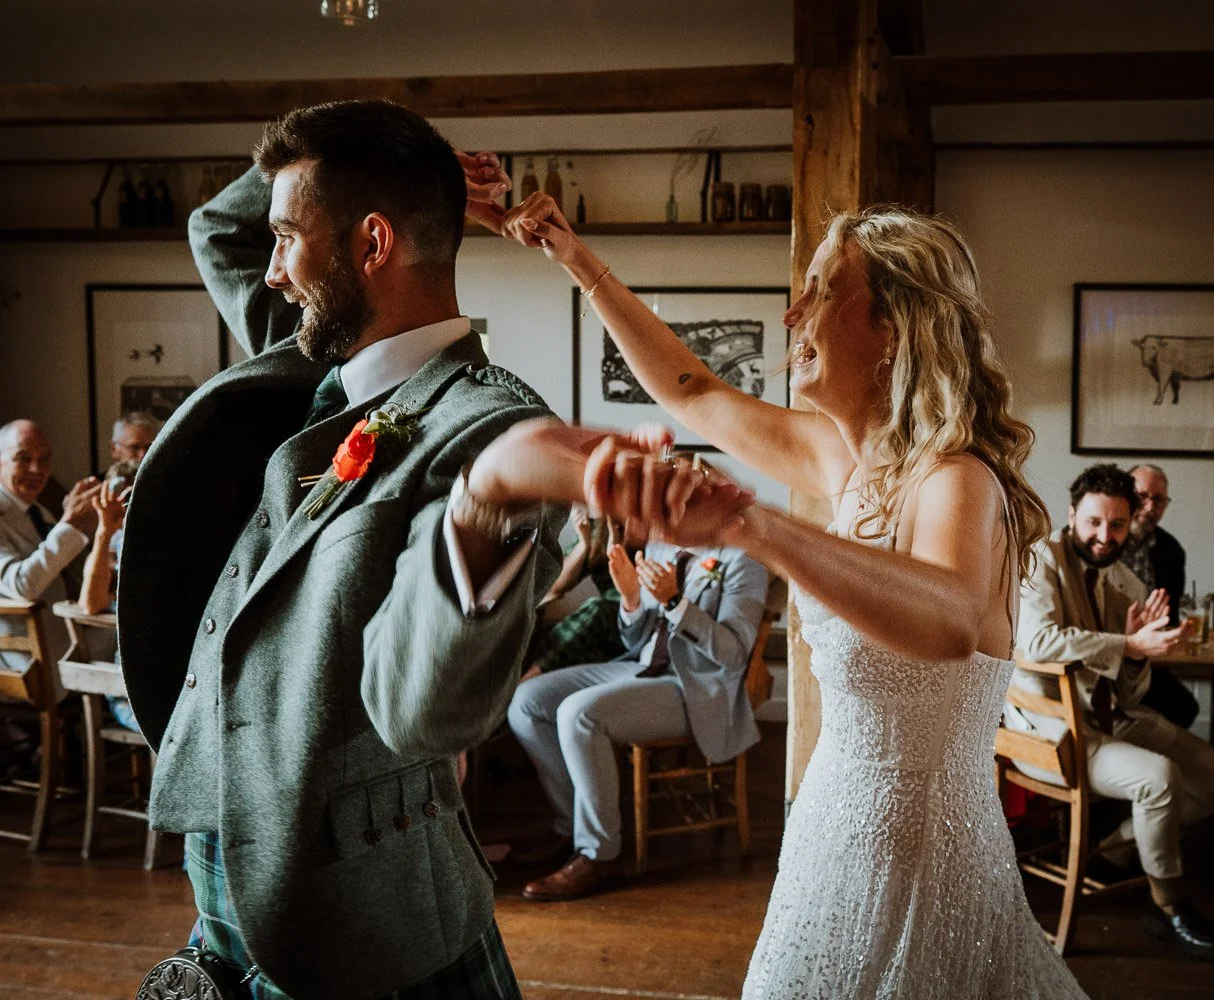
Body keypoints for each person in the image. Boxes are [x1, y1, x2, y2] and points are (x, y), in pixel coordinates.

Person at [462, 165, 1089, 996]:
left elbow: (949, 622)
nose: (792, 315)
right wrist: (579, 261)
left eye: (821, 292)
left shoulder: (956, 479)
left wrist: (749, 522)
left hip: (924, 862)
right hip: (830, 829)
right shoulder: (846, 460)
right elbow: (693, 392)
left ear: (893, 326)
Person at [118, 100, 563, 1000]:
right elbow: (218, 227)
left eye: (289, 239)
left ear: (369, 246)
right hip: (232, 889)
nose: (273, 271)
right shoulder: (307, 363)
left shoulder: (493, 431)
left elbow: (437, 703)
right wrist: (383, 146)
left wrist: (486, 506)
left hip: (369, 920)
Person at [1013, 463, 1214, 963]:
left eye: (1117, 525)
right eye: (1094, 522)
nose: (1105, 536)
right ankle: (1168, 906)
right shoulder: (1039, 559)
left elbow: (1130, 690)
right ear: (1072, 514)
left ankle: (1119, 848)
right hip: (1050, 732)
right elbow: (1036, 642)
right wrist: (1128, 642)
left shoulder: (1127, 584)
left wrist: (1140, 656)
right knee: (1159, 778)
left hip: (1109, 717)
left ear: (1131, 522)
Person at [508, 537, 768, 900]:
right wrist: (630, 600)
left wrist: (676, 603)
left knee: (578, 714)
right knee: (527, 701)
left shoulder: (744, 561)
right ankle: (571, 824)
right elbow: (635, 636)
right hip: (643, 666)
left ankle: (600, 854)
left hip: (696, 688)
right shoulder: (661, 548)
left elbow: (733, 654)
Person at [0, 420, 101, 671]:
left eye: (44, 460)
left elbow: (68, 574)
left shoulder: (33, 509)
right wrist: (70, 525)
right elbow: (23, 585)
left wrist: (95, 530)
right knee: (137, 644)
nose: (36, 469)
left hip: (58, 636)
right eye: (24, 458)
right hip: (19, 655)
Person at [1120, 462, 1199, 729]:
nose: (1150, 507)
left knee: (1185, 707)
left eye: (1159, 500)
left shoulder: (1171, 550)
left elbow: (1171, 615)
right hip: (1106, 651)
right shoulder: (1104, 540)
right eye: (1142, 497)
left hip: (1150, 659)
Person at [525, 507, 638, 677]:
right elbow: (556, 586)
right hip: (605, 630)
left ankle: (526, 679)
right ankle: (519, 680)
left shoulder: (649, 527)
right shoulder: (601, 527)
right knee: (540, 623)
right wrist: (583, 544)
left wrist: (617, 550)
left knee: (596, 609)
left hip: (636, 613)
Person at [77, 460, 141, 733]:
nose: (126, 507)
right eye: (122, 497)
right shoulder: (109, 551)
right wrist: (105, 530)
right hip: (128, 694)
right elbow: (90, 605)